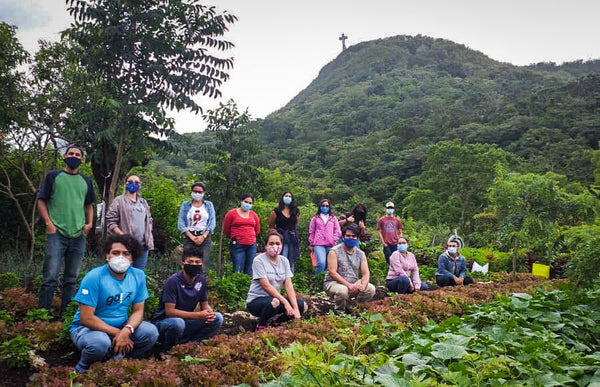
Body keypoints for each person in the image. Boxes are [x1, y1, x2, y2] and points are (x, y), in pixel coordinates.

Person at [69, 234, 158, 372]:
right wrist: (119, 333)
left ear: (132, 257)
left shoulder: (138, 276)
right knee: (100, 343)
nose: (120, 257)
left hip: (121, 326)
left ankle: (119, 360)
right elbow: (86, 318)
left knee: (150, 332)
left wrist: (127, 330)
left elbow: (138, 311)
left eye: (126, 254)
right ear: (107, 256)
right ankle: (82, 369)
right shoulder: (94, 277)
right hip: (87, 329)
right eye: (115, 253)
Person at [37, 143, 96, 317]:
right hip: (57, 233)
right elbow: (41, 200)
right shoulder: (53, 176)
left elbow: (89, 205)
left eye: (78, 155)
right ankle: (41, 316)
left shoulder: (86, 181)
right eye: (71, 154)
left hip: (78, 235)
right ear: (64, 156)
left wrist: (89, 224)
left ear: (82, 160)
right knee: (50, 278)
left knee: (71, 279)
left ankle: (66, 317)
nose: (74, 157)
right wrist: (48, 223)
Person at [152, 249, 223, 352]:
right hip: (165, 324)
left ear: (202, 264)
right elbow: (170, 312)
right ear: (182, 264)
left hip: (185, 322)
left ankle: (191, 346)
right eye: (190, 262)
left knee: (218, 318)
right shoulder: (173, 281)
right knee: (178, 323)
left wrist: (209, 313)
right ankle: (167, 351)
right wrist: (198, 315)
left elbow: (205, 304)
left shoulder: (201, 280)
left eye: (197, 262)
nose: (194, 264)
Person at [246, 231, 306, 331]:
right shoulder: (259, 260)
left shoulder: (284, 261)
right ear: (265, 246)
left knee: (301, 305)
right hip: (256, 301)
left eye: (278, 244)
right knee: (275, 302)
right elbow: (266, 286)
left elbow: (288, 286)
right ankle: (261, 326)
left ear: (282, 245)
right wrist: (285, 302)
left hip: (275, 299)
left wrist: (295, 309)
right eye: (271, 244)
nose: (275, 246)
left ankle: (278, 324)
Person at [324, 223, 376, 314]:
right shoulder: (334, 251)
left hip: (353, 283)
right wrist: (348, 285)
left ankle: (354, 307)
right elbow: (332, 272)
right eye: (348, 236)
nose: (350, 238)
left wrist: (363, 285)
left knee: (370, 288)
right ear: (343, 237)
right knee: (342, 290)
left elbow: (366, 273)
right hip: (333, 283)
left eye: (353, 236)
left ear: (357, 238)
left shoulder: (361, 254)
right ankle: (339, 313)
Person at [106, 174, 154, 269]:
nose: (133, 184)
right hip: (125, 246)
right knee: (123, 273)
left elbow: (149, 220)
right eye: (130, 182)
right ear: (125, 184)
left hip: (142, 247)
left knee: (138, 275)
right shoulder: (119, 201)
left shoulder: (143, 202)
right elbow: (111, 220)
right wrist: (123, 236)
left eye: (136, 182)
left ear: (140, 185)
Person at [177, 181, 217, 268]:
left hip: (204, 239)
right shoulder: (185, 205)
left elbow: (212, 222)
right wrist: (192, 237)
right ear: (191, 192)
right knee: (187, 264)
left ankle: (200, 281)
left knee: (202, 265)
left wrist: (203, 236)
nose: (197, 193)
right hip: (189, 238)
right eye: (195, 191)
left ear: (204, 193)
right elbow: (181, 223)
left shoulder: (209, 205)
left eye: (200, 192)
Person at [223, 193, 260, 274]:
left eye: (250, 203)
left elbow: (257, 230)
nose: (248, 204)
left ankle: (247, 286)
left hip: (251, 245)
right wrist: (235, 237)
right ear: (241, 201)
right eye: (246, 202)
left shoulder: (254, 215)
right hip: (237, 244)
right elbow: (226, 229)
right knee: (237, 269)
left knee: (250, 269)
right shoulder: (231, 213)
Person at [268, 191, 300, 273]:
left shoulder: (295, 211)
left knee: (291, 258)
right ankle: (279, 275)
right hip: (280, 237)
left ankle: (290, 278)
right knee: (281, 257)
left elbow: (296, 224)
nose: (288, 197)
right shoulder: (276, 211)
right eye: (286, 196)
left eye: (290, 196)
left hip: (292, 237)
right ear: (282, 197)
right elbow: (271, 226)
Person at [308, 199, 341, 274]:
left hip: (330, 244)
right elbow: (311, 231)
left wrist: (334, 239)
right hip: (318, 244)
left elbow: (337, 231)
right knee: (321, 263)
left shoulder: (333, 218)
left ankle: (326, 282)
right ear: (320, 207)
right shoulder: (315, 218)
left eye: (327, 206)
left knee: (329, 265)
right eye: (323, 206)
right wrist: (311, 243)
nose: (325, 207)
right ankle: (317, 282)